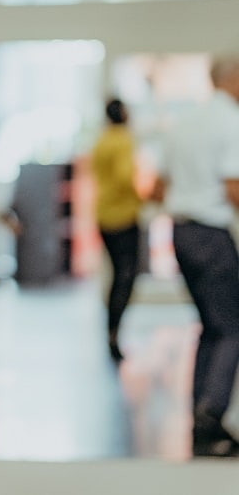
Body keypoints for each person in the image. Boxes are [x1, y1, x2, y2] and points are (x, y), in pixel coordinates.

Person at [153, 58, 239, 458]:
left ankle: (199, 411)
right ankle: (210, 414)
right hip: (210, 229)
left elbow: (156, 186)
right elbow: (234, 187)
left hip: (181, 231)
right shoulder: (230, 120)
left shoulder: (185, 121)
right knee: (231, 327)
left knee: (211, 324)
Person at [90, 98, 142, 363]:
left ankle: (111, 330)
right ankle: (113, 332)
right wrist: (141, 197)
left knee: (117, 276)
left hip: (103, 214)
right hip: (123, 216)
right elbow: (125, 178)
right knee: (125, 276)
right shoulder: (122, 140)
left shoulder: (103, 140)